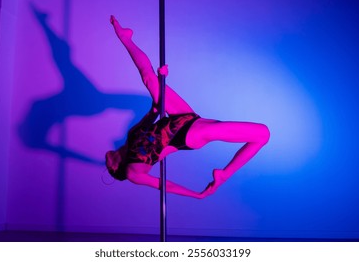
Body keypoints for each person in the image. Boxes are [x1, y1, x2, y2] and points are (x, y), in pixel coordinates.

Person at [106, 16, 270, 199]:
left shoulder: (131, 135)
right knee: (263, 133)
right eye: (108, 166)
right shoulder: (132, 173)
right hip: (186, 136)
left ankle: (125, 37)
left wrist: (162, 81)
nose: (106, 160)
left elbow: (154, 111)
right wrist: (196, 195)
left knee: (149, 79)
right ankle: (223, 176)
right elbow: (164, 185)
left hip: (181, 116)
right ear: (114, 168)